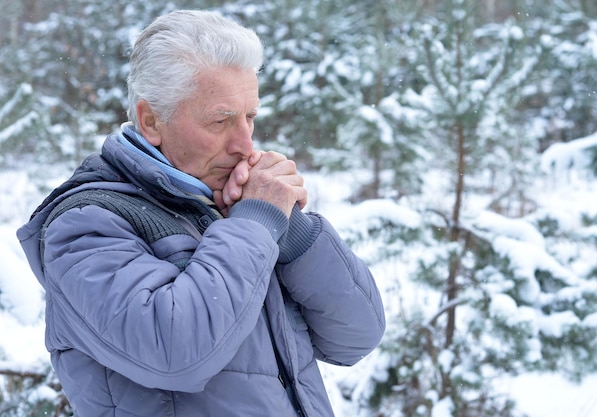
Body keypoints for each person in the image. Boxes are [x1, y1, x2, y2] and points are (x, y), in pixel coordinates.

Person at [16, 9, 385, 417]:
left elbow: (355, 336)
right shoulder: (85, 223)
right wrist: (256, 223)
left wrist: (289, 230)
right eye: (221, 120)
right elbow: (177, 353)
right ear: (151, 120)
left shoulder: (229, 207)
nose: (245, 145)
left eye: (250, 117)